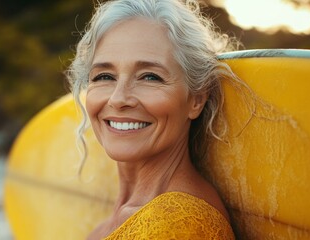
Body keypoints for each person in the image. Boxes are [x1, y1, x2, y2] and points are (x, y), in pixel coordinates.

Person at [66, 0, 236, 239]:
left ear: (196, 99)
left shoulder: (179, 225)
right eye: (104, 76)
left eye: (150, 77)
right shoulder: (124, 220)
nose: (118, 98)